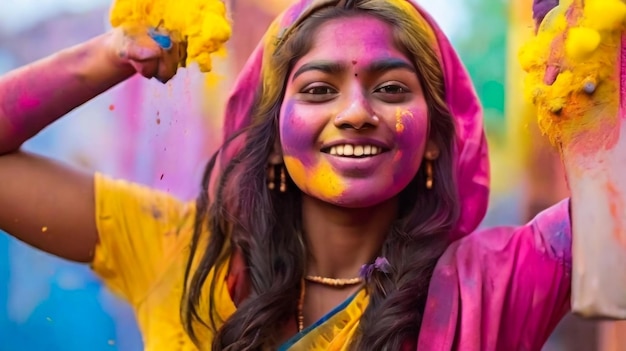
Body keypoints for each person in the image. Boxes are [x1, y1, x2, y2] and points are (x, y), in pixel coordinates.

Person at [0, 0, 578, 350]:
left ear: (434, 141)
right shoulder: (181, 254)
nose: (354, 112)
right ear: (271, 140)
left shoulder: (497, 285)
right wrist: (115, 53)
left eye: (392, 89)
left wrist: (591, 98)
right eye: (319, 90)